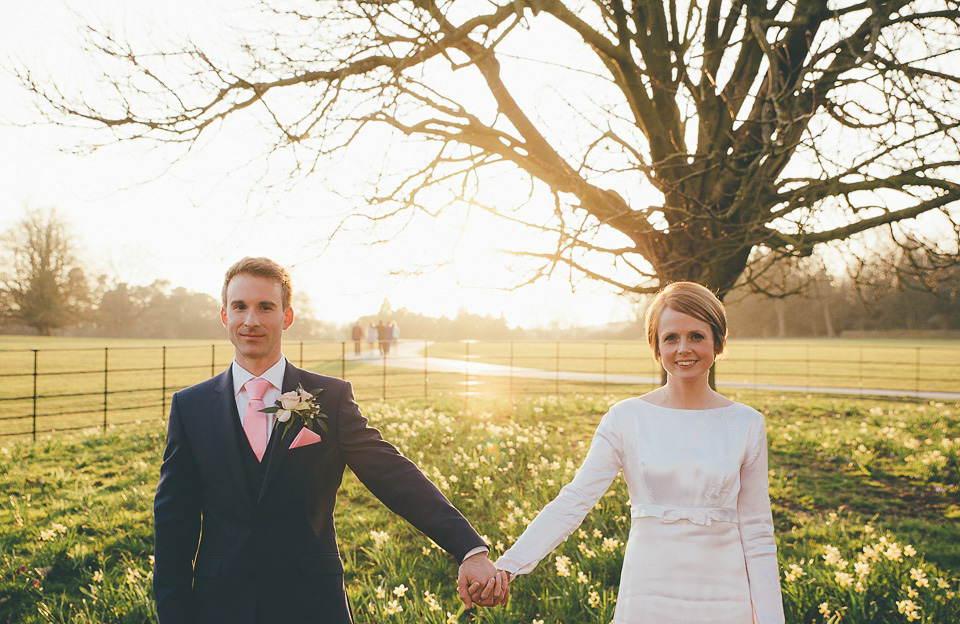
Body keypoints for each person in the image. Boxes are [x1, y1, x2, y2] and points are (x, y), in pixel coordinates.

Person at [153, 257, 507, 624]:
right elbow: (173, 523)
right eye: (239, 306)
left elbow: (393, 474)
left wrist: (469, 548)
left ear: (287, 317)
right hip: (220, 606)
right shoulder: (190, 406)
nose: (251, 320)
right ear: (224, 316)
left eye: (265, 307)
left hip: (311, 604)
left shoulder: (330, 398)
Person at [494, 281, 784, 624]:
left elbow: (757, 531)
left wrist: (770, 618)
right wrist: (508, 566)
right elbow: (574, 501)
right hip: (648, 592)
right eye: (670, 338)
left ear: (718, 342)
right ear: (656, 348)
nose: (683, 349)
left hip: (725, 595)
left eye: (696, 336)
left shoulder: (747, 424)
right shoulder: (626, 418)